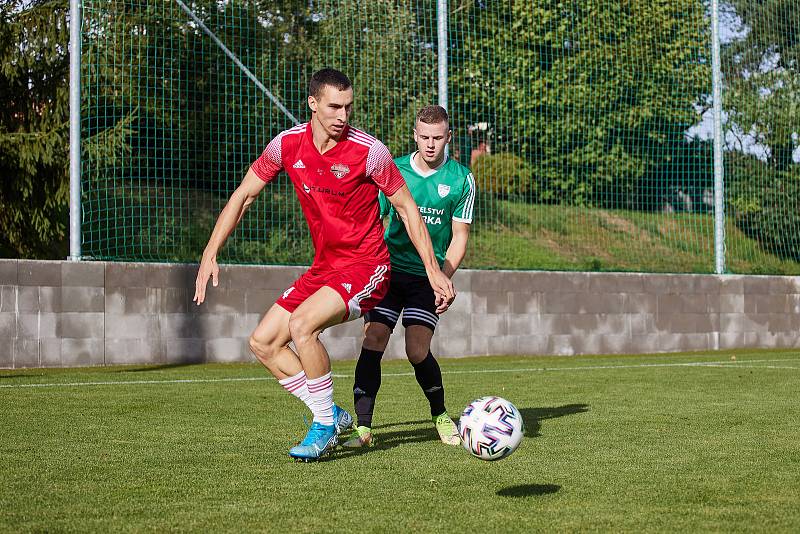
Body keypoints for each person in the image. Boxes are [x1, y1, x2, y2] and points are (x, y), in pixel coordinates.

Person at [193, 69, 454, 461]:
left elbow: (406, 208)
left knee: (302, 325)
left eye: (348, 106)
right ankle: (329, 412)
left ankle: (324, 426)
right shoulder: (286, 146)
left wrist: (434, 270)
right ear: (313, 104)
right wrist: (210, 252)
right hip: (325, 267)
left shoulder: (370, 151)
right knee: (263, 343)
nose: (343, 115)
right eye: (334, 106)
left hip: (367, 266)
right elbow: (244, 195)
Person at [344, 105, 476, 448]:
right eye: (424, 137)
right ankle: (363, 428)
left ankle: (441, 416)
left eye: (437, 137)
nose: (430, 144)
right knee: (373, 339)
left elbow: (460, 236)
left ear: (449, 137)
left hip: (425, 278)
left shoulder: (462, 179)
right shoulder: (396, 170)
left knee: (417, 350)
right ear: (414, 135)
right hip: (388, 271)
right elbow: (375, 221)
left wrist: (443, 278)